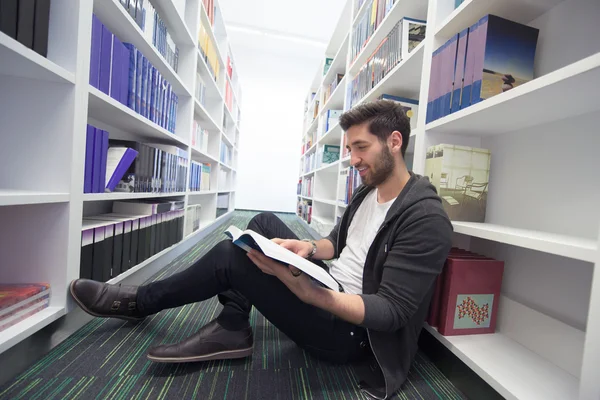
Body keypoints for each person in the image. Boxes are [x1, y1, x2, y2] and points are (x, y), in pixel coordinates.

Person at [69, 99, 453, 399]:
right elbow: (337, 242)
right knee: (262, 225)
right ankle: (234, 324)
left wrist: (309, 292)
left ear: (395, 142)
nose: (352, 160)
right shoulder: (369, 191)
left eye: (360, 148)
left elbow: (391, 313)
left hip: (350, 334)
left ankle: (139, 302)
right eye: (350, 148)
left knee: (230, 256)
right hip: (329, 284)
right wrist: (304, 246)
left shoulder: (425, 218)